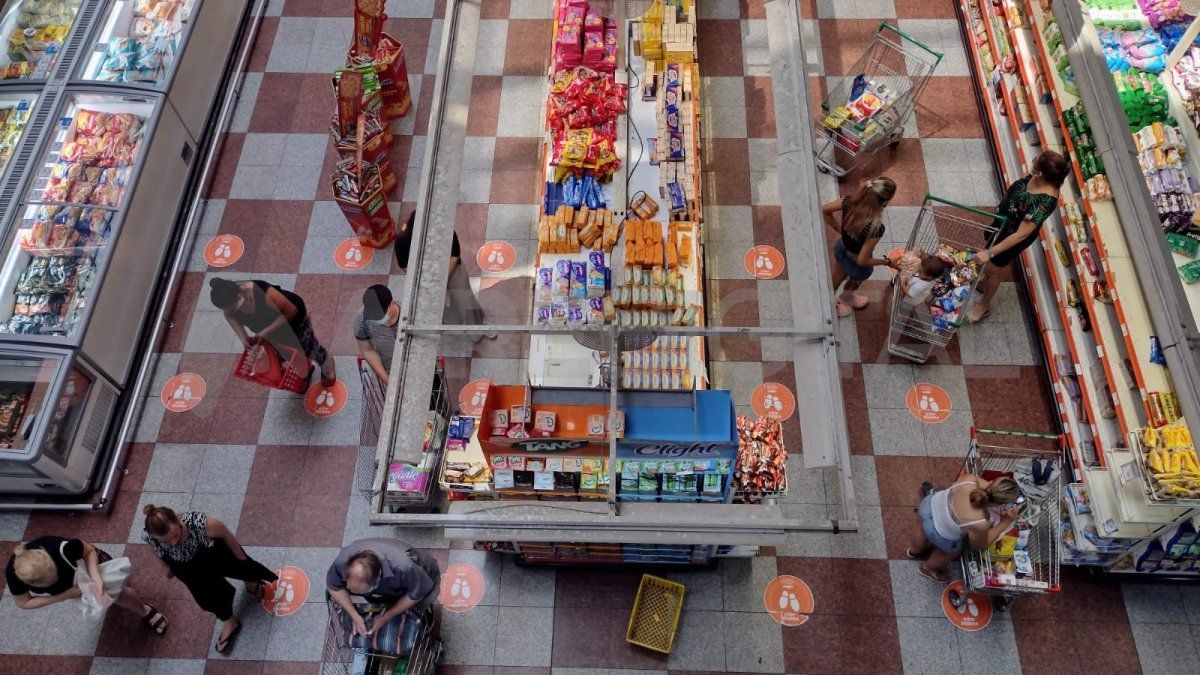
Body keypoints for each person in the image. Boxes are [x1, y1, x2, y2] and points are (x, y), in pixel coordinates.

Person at [142, 505, 278, 655]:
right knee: (208, 597)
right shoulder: (150, 535)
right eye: (166, 541)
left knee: (241, 567)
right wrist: (165, 566)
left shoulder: (198, 523)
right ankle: (230, 622)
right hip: (187, 569)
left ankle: (251, 584)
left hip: (212, 553)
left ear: (177, 519)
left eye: (175, 535)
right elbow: (153, 547)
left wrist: (242, 559)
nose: (173, 543)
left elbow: (226, 534)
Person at [967, 150, 1070, 322]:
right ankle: (985, 279)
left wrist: (990, 252)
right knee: (988, 262)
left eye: (1035, 163)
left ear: (1041, 173)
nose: (1033, 162)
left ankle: (984, 305)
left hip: (1011, 237)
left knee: (994, 268)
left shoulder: (1044, 202)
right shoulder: (1038, 177)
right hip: (1002, 224)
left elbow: (1021, 235)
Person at [6, 536, 167, 633]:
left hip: (89, 566)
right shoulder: (14, 576)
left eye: (54, 574)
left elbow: (89, 551)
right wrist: (64, 595)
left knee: (119, 594)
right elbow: (24, 602)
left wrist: (96, 578)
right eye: (48, 582)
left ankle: (145, 610)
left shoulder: (60, 547)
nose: (55, 579)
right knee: (111, 594)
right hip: (75, 588)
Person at [208, 277, 337, 386]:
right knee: (286, 352)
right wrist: (244, 337)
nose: (230, 310)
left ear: (238, 296)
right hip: (269, 329)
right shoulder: (227, 301)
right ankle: (305, 369)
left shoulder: (261, 292)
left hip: (293, 322)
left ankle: (326, 362)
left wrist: (264, 333)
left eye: (232, 307)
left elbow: (290, 311)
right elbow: (229, 316)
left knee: (308, 346)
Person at [394, 210, 494, 341]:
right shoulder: (402, 240)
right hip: (426, 278)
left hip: (452, 271)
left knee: (465, 300)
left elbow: (454, 255)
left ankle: (478, 328)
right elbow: (404, 266)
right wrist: (427, 280)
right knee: (444, 307)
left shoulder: (443, 229)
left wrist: (442, 281)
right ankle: (454, 327)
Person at [909, 475, 1022, 583]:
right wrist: (1005, 522)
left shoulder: (969, 479)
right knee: (951, 552)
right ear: (1000, 504)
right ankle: (927, 568)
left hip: (928, 506)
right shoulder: (979, 522)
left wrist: (995, 489)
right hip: (938, 532)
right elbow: (979, 545)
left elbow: (984, 487)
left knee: (923, 529)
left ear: (991, 482)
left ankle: (914, 551)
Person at [326, 538, 441, 638]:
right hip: (390, 587)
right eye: (347, 583)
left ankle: (425, 616)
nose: (347, 588)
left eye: (359, 590)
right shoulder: (343, 562)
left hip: (422, 576)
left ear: (376, 582)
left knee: (420, 603)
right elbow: (334, 586)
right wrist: (355, 616)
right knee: (381, 600)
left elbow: (416, 593)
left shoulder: (404, 567)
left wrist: (386, 617)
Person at [822, 177, 898, 316]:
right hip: (857, 265)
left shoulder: (849, 201)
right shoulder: (876, 227)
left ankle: (826, 306)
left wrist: (839, 229)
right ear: (885, 201)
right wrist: (887, 262)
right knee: (853, 283)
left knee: (836, 279)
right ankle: (845, 300)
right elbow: (862, 260)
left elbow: (824, 210)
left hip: (841, 248)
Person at [355, 284, 400, 386]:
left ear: (392, 304)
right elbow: (367, 350)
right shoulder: (361, 319)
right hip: (391, 369)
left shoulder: (408, 316)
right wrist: (388, 381)